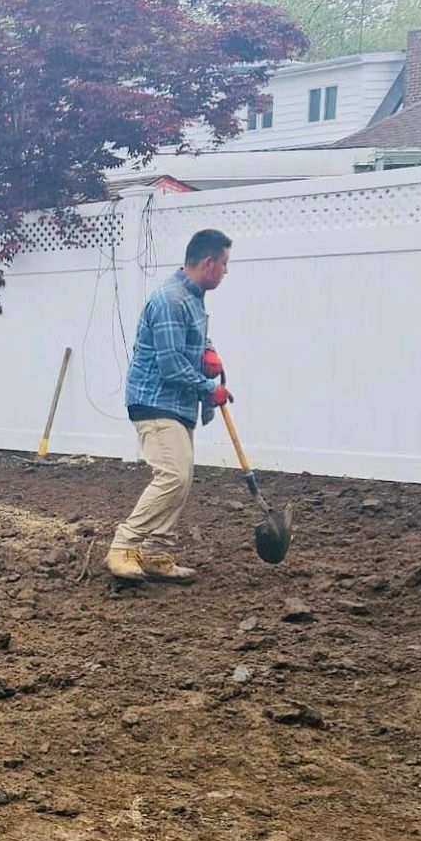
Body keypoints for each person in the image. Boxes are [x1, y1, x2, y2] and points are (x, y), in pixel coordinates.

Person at [106, 229, 235, 584]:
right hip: (154, 401)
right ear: (208, 263)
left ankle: (157, 554)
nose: (226, 271)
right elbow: (171, 365)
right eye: (224, 264)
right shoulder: (170, 299)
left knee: (182, 479)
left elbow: (191, 342)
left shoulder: (192, 298)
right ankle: (123, 546)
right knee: (173, 476)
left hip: (176, 404)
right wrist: (211, 388)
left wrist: (207, 351)